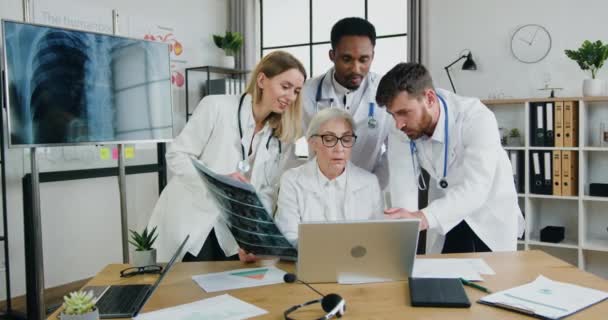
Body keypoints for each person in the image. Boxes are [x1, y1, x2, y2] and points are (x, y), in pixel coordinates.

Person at [147, 51, 306, 262]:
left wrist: (254, 236)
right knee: (187, 289)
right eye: (285, 87)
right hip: (193, 218)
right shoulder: (216, 106)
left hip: (232, 231)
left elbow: (267, 192)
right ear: (261, 80)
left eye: (296, 91)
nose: (291, 97)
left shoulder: (281, 137)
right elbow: (177, 155)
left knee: (228, 289)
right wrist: (219, 183)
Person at [375, 62, 525, 254]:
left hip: (490, 212)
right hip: (448, 211)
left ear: (429, 98)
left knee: (494, 278)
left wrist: (421, 218)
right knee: (445, 276)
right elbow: (403, 187)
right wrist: (404, 236)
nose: (398, 124)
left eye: (404, 113)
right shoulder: (399, 128)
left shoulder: (476, 117)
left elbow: (475, 188)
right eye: (392, 114)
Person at [301, 17, 392, 188]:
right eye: (347, 59)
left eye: (364, 60)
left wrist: (372, 186)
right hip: (318, 191)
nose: (356, 69)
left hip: (367, 193)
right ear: (332, 55)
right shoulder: (307, 92)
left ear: (373, 56)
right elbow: (282, 141)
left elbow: (395, 153)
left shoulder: (387, 92)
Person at [274, 108, 383, 246]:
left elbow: (377, 238)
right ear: (313, 143)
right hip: (310, 263)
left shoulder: (369, 183)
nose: (339, 148)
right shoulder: (292, 180)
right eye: (329, 139)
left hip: (356, 264)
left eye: (346, 139)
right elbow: (288, 238)